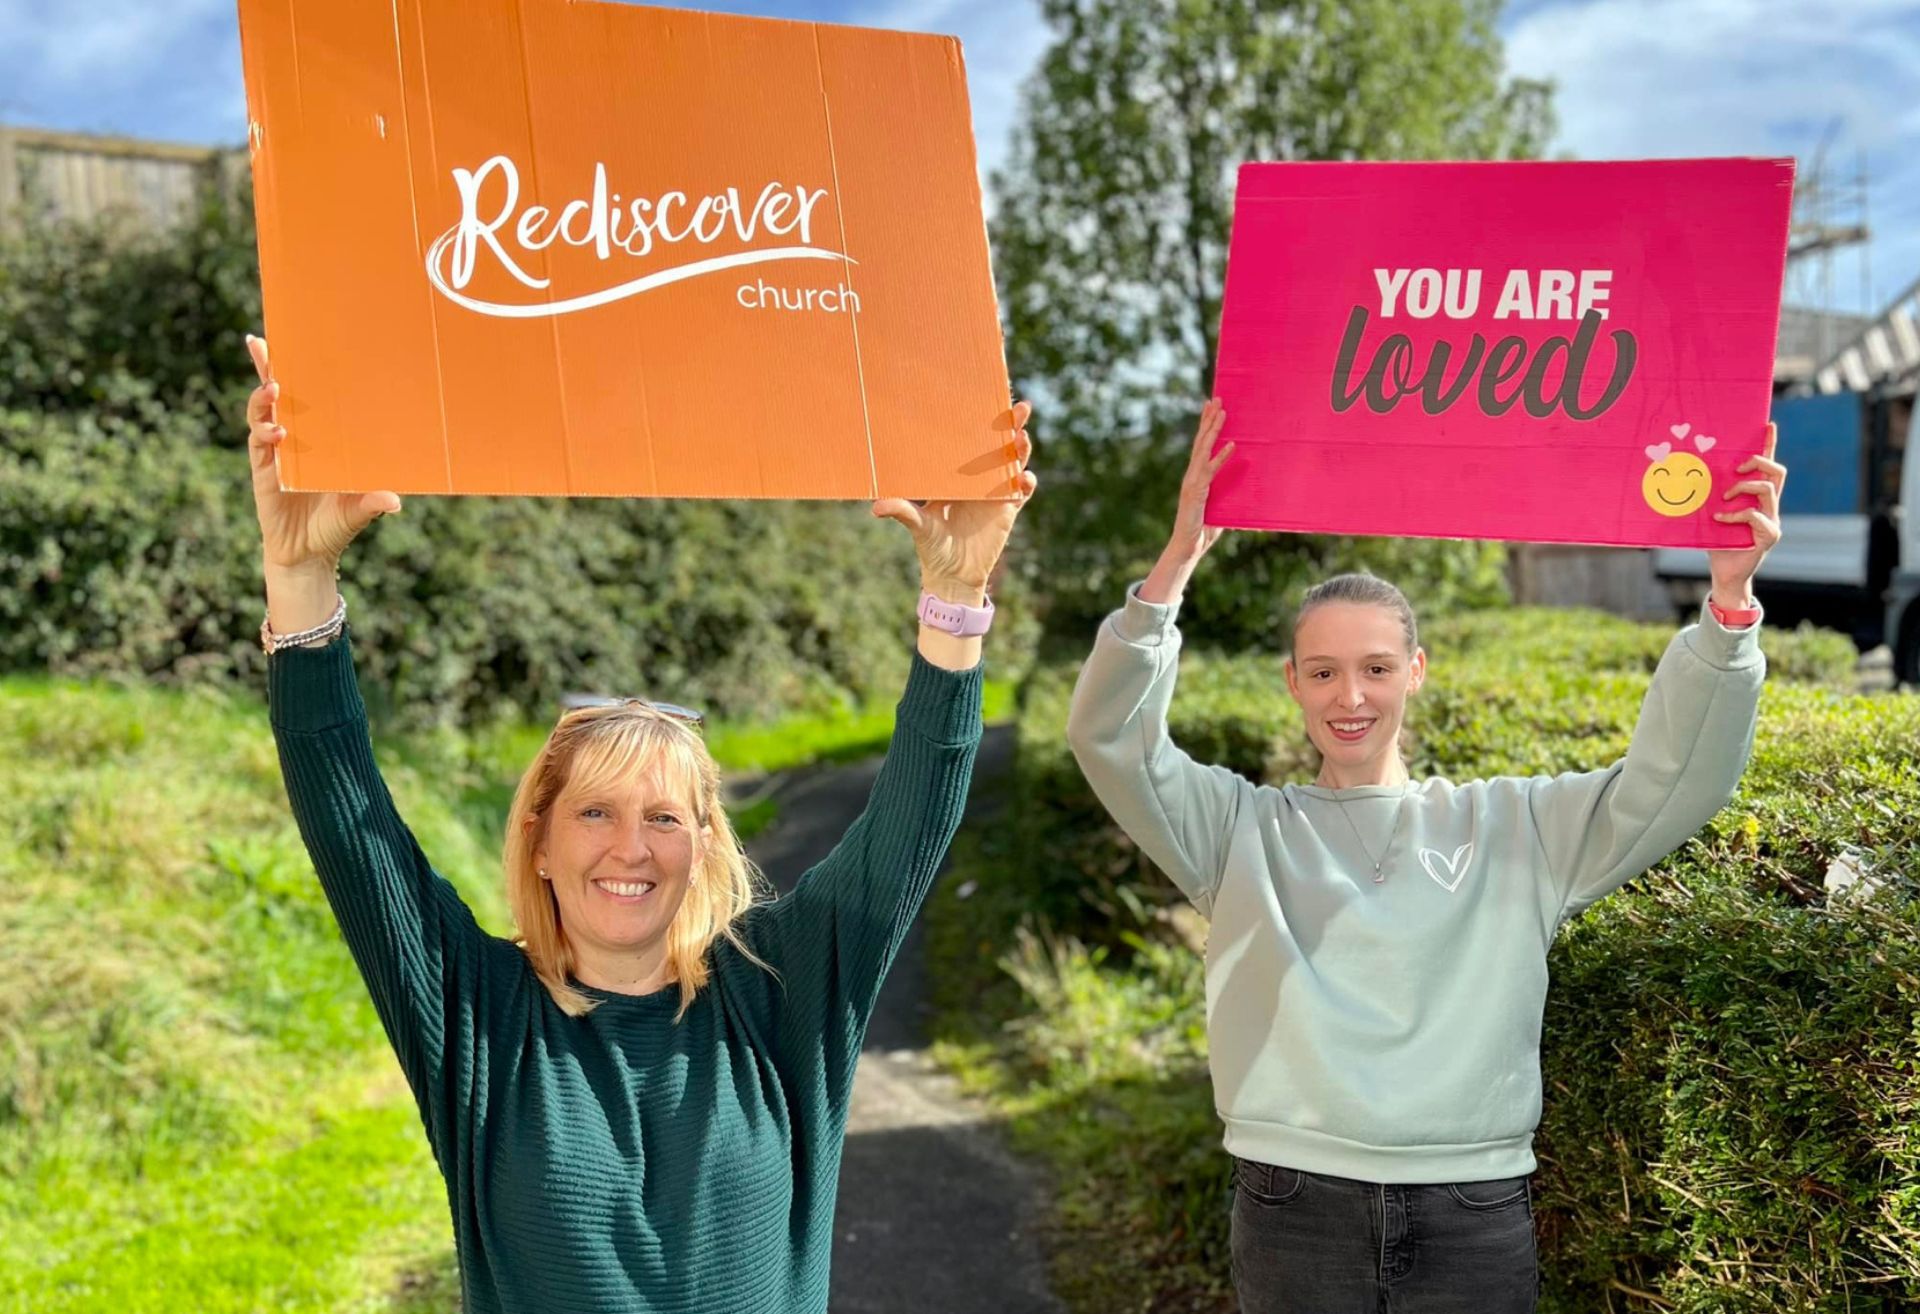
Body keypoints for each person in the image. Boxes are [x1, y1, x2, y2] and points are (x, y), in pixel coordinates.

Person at [243, 333, 1035, 1314]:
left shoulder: (789, 987)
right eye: (595, 813)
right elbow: (346, 813)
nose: (631, 848)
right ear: (538, 838)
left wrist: (956, 600)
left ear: (704, 841)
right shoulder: (474, 1013)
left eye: (665, 815)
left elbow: (914, 810)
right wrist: (300, 584)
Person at [1064, 398, 1783, 1313]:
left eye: (1374, 667)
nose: (1348, 695)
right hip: (1293, 1205)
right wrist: (1171, 571)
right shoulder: (1240, 830)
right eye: (1322, 671)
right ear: (1293, 684)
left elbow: (1676, 783)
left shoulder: (1515, 826)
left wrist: (1728, 609)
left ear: (1417, 671)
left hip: (1473, 1210)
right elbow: (1108, 741)